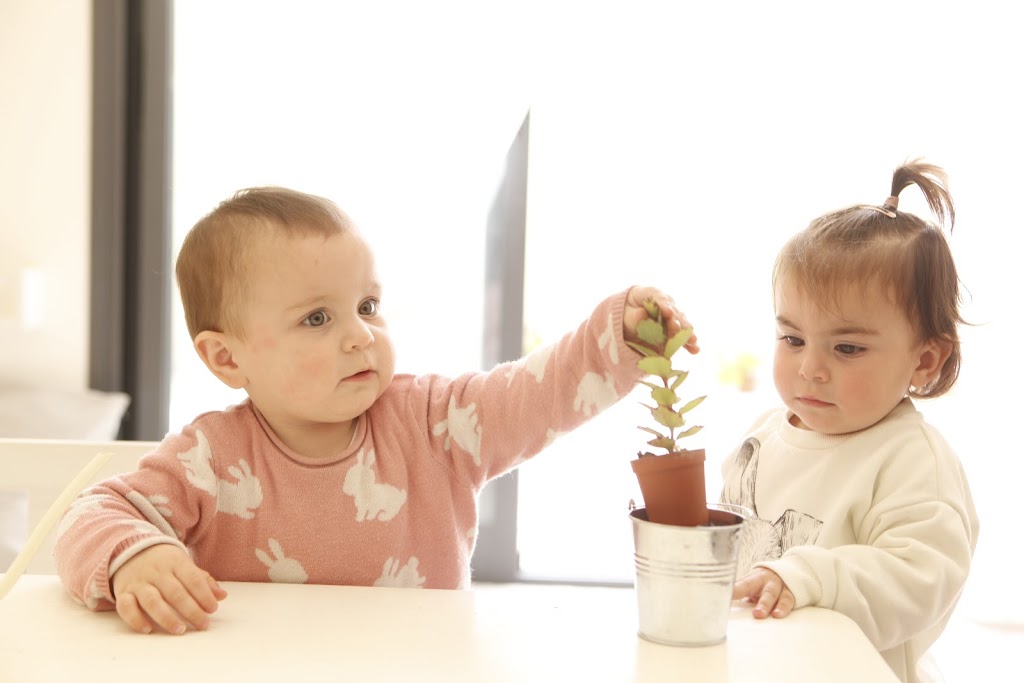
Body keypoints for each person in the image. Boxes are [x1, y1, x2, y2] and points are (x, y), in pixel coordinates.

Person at [54, 186, 698, 636]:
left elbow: (538, 392)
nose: (361, 335)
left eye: (367, 306)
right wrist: (134, 556)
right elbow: (89, 516)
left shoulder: (436, 424)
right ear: (227, 358)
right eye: (317, 318)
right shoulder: (209, 458)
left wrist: (616, 333)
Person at [719, 160, 979, 683]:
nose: (810, 369)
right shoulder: (763, 435)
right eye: (793, 339)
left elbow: (919, 578)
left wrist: (809, 577)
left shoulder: (910, 459)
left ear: (924, 360)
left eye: (847, 348)